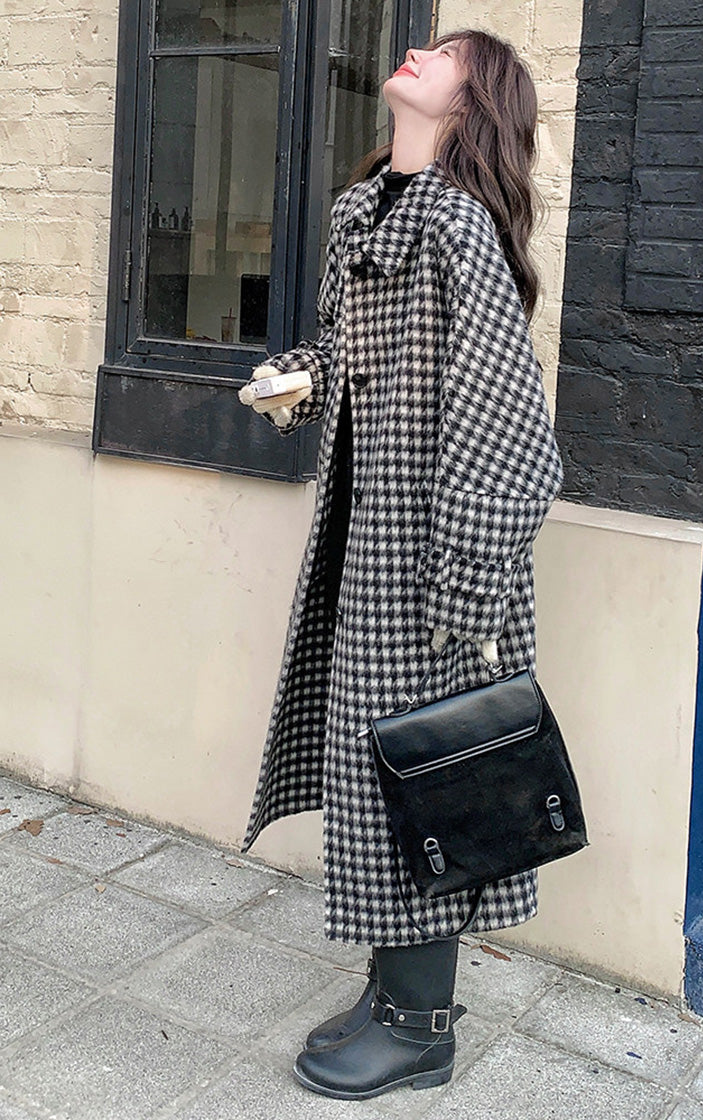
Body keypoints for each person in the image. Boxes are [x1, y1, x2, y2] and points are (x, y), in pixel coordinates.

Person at [239, 28, 564, 1100]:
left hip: (438, 573)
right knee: (380, 774)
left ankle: (422, 1025)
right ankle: (393, 995)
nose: (419, 50)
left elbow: (510, 430)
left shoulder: (456, 225)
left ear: (473, 104)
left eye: (448, 53)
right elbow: (348, 356)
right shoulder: (365, 214)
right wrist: (298, 377)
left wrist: (462, 587)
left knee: (424, 783)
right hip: (367, 549)